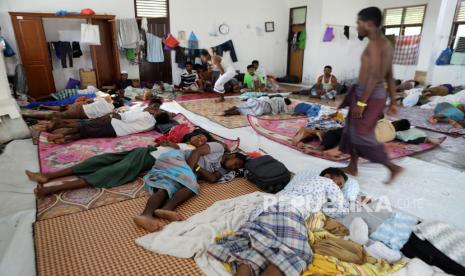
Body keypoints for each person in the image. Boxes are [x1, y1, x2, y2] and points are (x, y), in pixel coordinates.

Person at [207, 168, 349, 276]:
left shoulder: (304, 182)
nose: (339, 188)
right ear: (329, 176)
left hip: (265, 208)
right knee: (292, 252)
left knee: (257, 247)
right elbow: (341, 210)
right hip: (289, 211)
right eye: (340, 184)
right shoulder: (328, 183)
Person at [24, 130, 216, 198]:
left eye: (203, 139)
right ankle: (49, 176)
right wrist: (170, 144)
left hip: (153, 159)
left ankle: (53, 188)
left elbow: (189, 163)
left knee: (113, 171)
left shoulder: (194, 152)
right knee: (101, 159)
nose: (200, 140)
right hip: (145, 151)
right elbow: (167, 143)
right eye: (198, 136)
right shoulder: (185, 144)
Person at [339, 7, 402, 184]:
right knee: (351, 130)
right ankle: (353, 166)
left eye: (358, 23)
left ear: (369, 24)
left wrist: (361, 104)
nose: (356, 26)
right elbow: (389, 75)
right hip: (371, 93)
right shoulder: (384, 44)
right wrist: (393, 101)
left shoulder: (376, 45)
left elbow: (375, 76)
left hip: (368, 95)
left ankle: (392, 167)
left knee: (361, 134)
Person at [133, 142, 248, 232]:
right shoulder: (218, 148)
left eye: (236, 168)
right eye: (236, 163)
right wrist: (189, 172)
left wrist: (196, 169)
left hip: (181, 171)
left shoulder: (223, 170)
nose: (234, 167)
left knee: (166, 188)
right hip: (177, 158)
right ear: (232, 155)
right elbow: (196, 153)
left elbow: (212, 179)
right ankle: (156, 211)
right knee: (192, 185)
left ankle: (149, 214)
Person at [46, 98, 167, 143]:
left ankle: (61, 134)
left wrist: (112, 115)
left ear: (156, 112)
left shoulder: (146, 115)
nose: (153, 108)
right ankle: (64, 139)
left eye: (156, 109)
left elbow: (126, 117)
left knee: (85, 126)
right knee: (87, 133)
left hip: (113, 123)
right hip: (116, 132)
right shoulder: (152, 124)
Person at [23, 95, 115, 120]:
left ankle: (42, 106)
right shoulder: (111, 111)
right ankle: (29, 115)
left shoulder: (103, 100)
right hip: (83, 113)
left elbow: (88, 101)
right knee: (55, 115)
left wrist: (85, 103)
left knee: (60, 109)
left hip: (80, 107)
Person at [223, 96, 292, 116]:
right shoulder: (284, 104)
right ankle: (227, 113)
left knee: (243, 105)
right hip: (265, 107)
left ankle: (226, 111)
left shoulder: (278, 97)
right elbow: (286, 112)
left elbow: (268, 97)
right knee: (246, 111)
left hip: (260, 101)